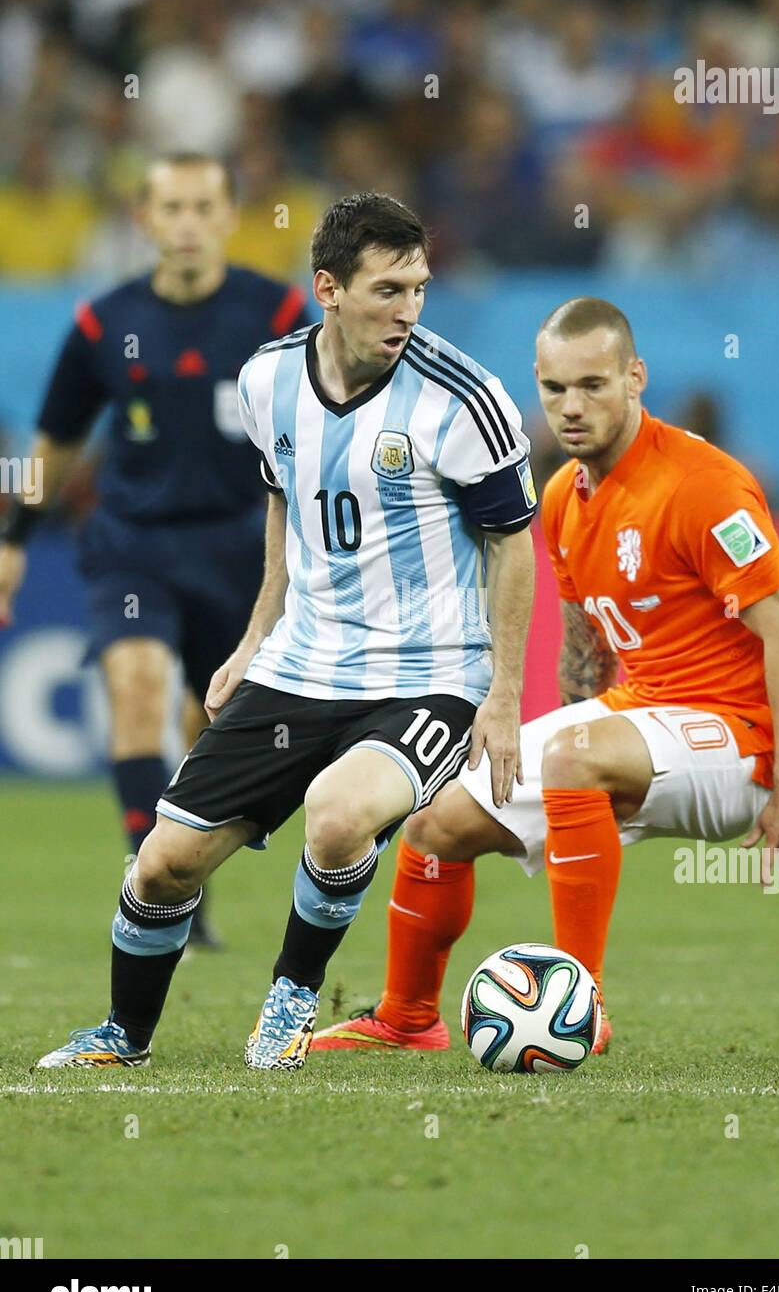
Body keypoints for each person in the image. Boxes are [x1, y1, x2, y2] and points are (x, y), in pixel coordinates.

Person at [34, 192, 538, 1072]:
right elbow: (286, 504)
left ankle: (292, 997)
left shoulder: (465, 398)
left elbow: (515, 546)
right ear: (329, 288)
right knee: (163, 864)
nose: (409, 309)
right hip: (303, 663)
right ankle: (124, 1037)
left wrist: (501, 693)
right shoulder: (266, 379)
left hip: (427, 674)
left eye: (419, 288)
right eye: (388, 290)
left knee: (340, 820)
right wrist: (253, 639)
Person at [311, 296, 779, 1056]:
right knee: (434, 820)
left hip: (739, 740)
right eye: (556, 390)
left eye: (593, 384)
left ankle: (580, 1009)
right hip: (641, 715)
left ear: (635, 377)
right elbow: (586, 650)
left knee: (572, 756)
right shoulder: (560, 498)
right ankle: (405, 1018)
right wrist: (565, 776)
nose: (572, 407)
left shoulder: (703, 484)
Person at [0, 152, 311, 946]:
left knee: (204, 721)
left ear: (229, 215)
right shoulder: (105, 323)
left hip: (244, 550)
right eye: (170, 207)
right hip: (133, 545)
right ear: (143, 219)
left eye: (203, 206)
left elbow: (326, 423)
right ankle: (154, 888)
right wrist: (14, 538)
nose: (186, 224)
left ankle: (179, 866)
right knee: (136, 688)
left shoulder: (276, 315)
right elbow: (57, 443)